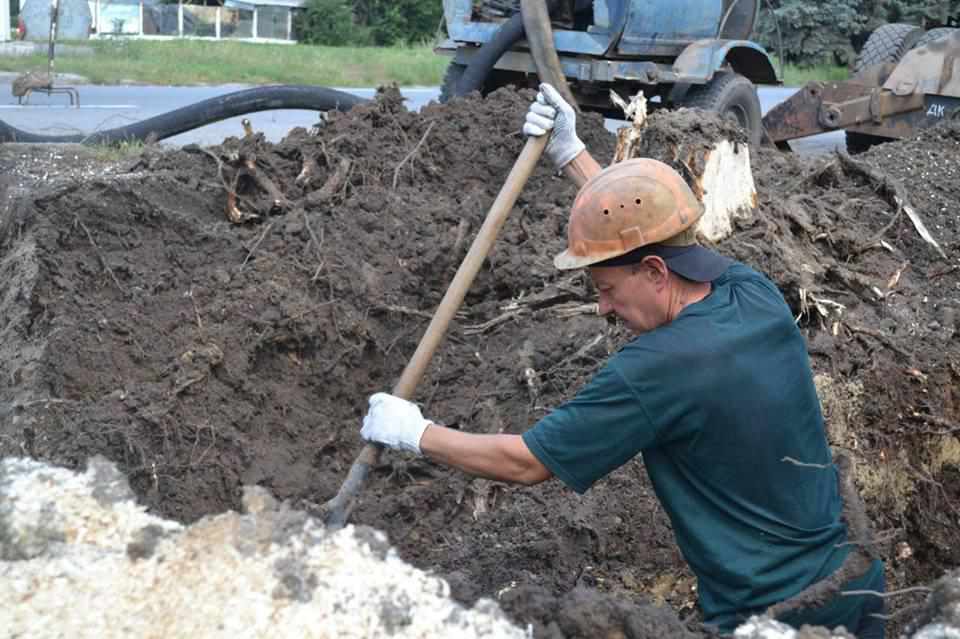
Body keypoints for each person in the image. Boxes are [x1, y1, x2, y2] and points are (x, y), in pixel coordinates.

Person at [360, 84, 885, 636]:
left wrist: (414, 433)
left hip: (773, 621)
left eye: (606, 288)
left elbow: (527, 462)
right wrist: (573, 155)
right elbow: (662, 236)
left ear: (656, 274)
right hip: (854, 586)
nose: (604, 307)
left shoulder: (657, 369)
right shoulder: (751, 293)